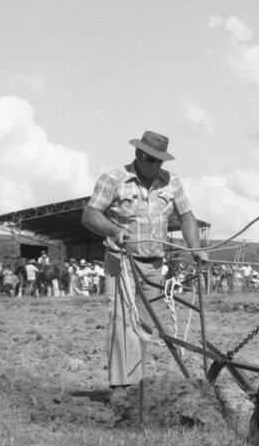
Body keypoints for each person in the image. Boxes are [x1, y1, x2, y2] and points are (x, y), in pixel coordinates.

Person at [81, 131, 207, 407]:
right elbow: (90, 214)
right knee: (122, 319)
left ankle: (135, 383)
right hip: (121, 260)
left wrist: (195, 248)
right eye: (150, 159)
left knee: (143, 325)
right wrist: (114, 229)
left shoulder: (171, 182)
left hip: (153, 264)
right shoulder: (114, 179)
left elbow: (187, 216)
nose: (155, 166)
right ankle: (121, 385)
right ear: (138, 155)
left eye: (159, 161)